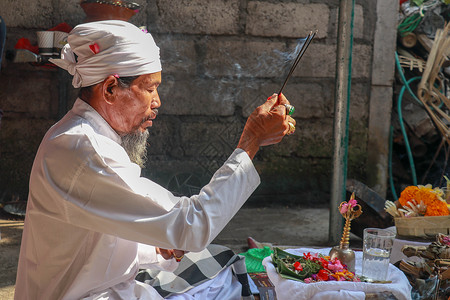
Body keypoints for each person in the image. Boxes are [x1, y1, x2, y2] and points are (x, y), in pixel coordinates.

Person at [14, 20, 296, 299]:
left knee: (221, 264)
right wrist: (251, 141)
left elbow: (95, 237)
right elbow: (192, 225)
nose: (157, 101)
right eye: (149, 88)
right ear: (111, 89)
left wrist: (156, 244)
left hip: (104, 287)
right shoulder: (85, 149)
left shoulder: (83, 139)